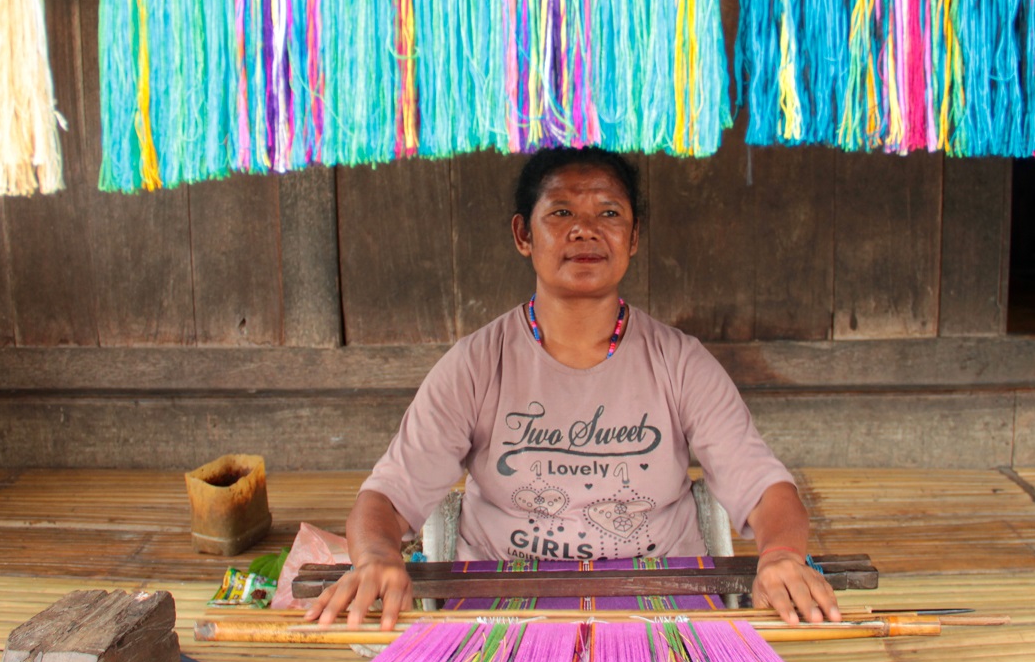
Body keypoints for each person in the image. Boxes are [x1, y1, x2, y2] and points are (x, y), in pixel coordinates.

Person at [307, 146, 841, 630]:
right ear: (523, 235)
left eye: (608, 213)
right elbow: (387, 498)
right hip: (501, 594)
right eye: (561, 212)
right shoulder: (474, 364)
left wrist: (780, 556)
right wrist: (377, 556)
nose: (585, 230)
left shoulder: (681, 363)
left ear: (632, 238)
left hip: (660, 591)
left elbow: (767, 492)